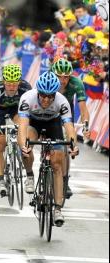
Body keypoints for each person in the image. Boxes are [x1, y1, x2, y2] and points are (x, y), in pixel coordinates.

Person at [17, 71, 79, 226]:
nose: (45, 100)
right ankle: (30, 175)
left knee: (57, 163)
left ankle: (58, 209)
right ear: (38, 92)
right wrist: (23, 146)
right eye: (43, 95)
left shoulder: (62, 101)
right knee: (27, 144)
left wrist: (73, 145)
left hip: (53, 124)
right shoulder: (27, 99)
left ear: (55, 94)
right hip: (33, 123)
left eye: (50, 96)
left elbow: (69, 127)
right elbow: (22, 127)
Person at [0, 64, 31, 196]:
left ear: (19, 82)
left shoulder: (26, 88)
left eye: (14, 84)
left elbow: (28, 114)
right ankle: (1, 181)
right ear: (4, 81)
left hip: (17, 111)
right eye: (9, 84)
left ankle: (18, 152)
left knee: (22, 130)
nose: (11, 87)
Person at [51, 58, 90, 198]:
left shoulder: (76, 83)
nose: (62, 80)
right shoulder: (48, 78)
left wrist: (86, 125)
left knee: (67, 144)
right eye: (59, 77)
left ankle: (65, 180)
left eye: (66, 77)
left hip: (66, 111)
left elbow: (83, 107)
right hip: (49, 109)